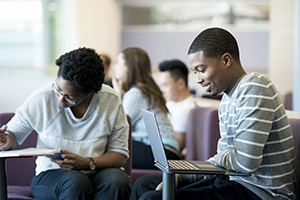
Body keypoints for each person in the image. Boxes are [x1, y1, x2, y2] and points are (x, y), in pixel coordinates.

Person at [130, 27, 296, 200]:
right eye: (195, 72)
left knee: (152, 198)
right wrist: (181, 175)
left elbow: (245, 163)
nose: (198, 79)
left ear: (226, 60)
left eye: (202, 69)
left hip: (260, 192)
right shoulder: (226, 99)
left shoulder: (255, 87)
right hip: (232, 182)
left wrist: (222, 157)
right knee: (144, 184)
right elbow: (226, 162)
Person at [0, 47, 132, 200]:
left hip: (97, 169)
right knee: (76, 181)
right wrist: (4, 138)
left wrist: (87, 162)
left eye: (71, 97)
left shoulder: (110, 100)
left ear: (90, 92)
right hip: (51, 175)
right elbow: (12, 136)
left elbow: (120, 154)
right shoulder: (41, 99)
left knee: (117, 181)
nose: (60, 100)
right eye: (58, 89)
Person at [112, 47, 181, 169]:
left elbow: (118, 126)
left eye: (118, 62)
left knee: (113, 146)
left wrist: (118, 94)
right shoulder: (143, 90)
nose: (114, 67)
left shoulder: (136, 93)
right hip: (167, 151)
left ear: (129, 66)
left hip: (162, 153)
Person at [158, 59, 196, 153]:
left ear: (180, 84)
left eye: (165, 85)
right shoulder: (171, 103)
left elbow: (175, 148)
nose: (161, 90)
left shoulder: (186, 110)